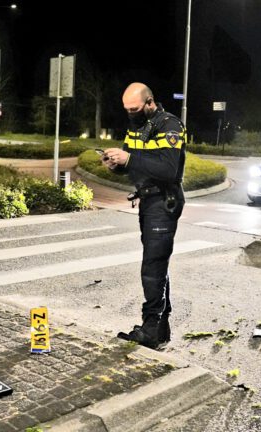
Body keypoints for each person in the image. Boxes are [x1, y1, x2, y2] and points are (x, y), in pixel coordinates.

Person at [102, 82, 186, 349]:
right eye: (127, 110)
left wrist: (130, 160)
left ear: (150, 102)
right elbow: (135, 164)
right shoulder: (136, 126)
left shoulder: (170, 125)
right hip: (149, 201)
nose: (131, 114)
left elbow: (169, 169)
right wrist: (116, 165)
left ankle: (151, 330)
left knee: (152, 268)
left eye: (135, 109)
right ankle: (160, 328)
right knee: (157, 265)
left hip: (164, 201)